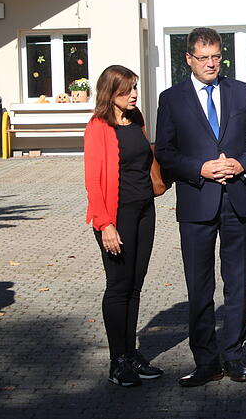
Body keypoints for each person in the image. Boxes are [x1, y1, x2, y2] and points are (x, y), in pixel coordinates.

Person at [155, 27, 246, 388]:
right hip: (196, 200)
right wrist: (199, 168)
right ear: (188, 59)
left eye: (217, 57)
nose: (211, 64)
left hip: (237, 200)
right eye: (203, 57)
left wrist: (241, 163)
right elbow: (165, 152)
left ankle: (234, 356)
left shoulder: (239, 92)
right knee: (199, 287)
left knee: (237, 284)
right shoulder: (171, 99)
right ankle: (206, 360)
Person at [84, 65, 163, 388]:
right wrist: (106, 225)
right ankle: (117, 361)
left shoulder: (136, 119)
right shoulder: (98, 127)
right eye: (127, 90)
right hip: (116, 216)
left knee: (135, 285)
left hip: (145, 210)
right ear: (110, 92)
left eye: (134, 88)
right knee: (118, 287)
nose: (133, 95)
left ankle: (131, 354)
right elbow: (93, 181)